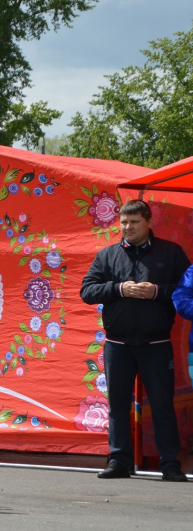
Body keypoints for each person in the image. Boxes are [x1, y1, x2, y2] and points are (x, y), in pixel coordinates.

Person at [82, 199, 190, 481]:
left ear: (148, 222)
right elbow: (87, 291)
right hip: (117, 345)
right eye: (123, 223)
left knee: (162, 404)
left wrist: (156, 291)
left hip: (156, 345)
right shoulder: (107, 255)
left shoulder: (171, 252)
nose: (127, 227)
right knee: (117, 405)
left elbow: (187, 290)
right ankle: (119, 462)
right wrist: (118, 288)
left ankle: (170, 464)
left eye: (134, 222)